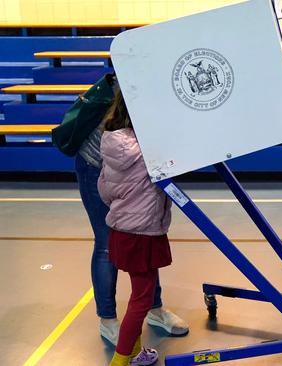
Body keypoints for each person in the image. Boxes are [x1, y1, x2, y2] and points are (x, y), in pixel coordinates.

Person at [74, 78, 188, 346]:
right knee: (106, 243)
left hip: (129, 161)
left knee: (145, 228)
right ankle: (108, 321)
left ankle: (154, 309)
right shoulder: (135, 85)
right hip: (98, 164)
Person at [97, 89, 176, 365]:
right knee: (141, 299)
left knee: (137, 293)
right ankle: (120, 360)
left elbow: (104, 189)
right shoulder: (149, 149)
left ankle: (134, 352)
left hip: (122, 229)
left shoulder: (111, 142)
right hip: (143, 232)